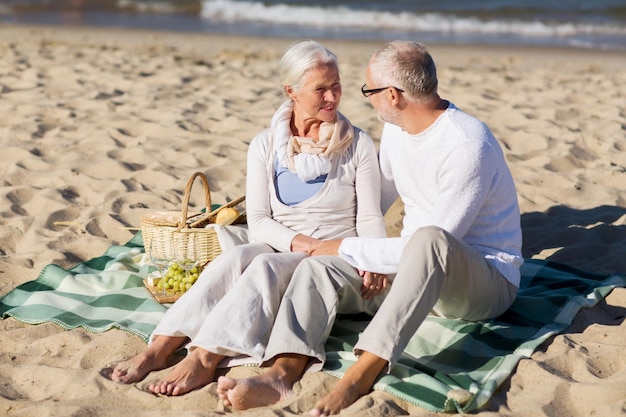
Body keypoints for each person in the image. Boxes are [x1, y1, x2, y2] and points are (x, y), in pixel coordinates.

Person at [216, 40, 523, 416]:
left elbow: (438, 243)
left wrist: (346, 248)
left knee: (424, 240)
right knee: (317, 269)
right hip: (413, 270)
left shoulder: (467, 144)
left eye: (368, 90)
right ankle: (281, 373)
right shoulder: (395, 129)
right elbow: (375, 203)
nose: (361, 99)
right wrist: (351, 252)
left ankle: (358, 376)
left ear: (392, 95)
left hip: (482, 283)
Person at [108, 40, 386, 396]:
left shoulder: (357, 144)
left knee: (266, 266)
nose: (333, 96)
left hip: (337, 260)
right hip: (293, 247)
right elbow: (257, 219)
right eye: (321, 89)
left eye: (336, 85)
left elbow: (370, 217)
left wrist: (373, 257)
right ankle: (158, 349)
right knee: (238, 256)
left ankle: (205, 358)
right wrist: (306, 245)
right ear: (292, 92)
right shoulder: (265, 145)